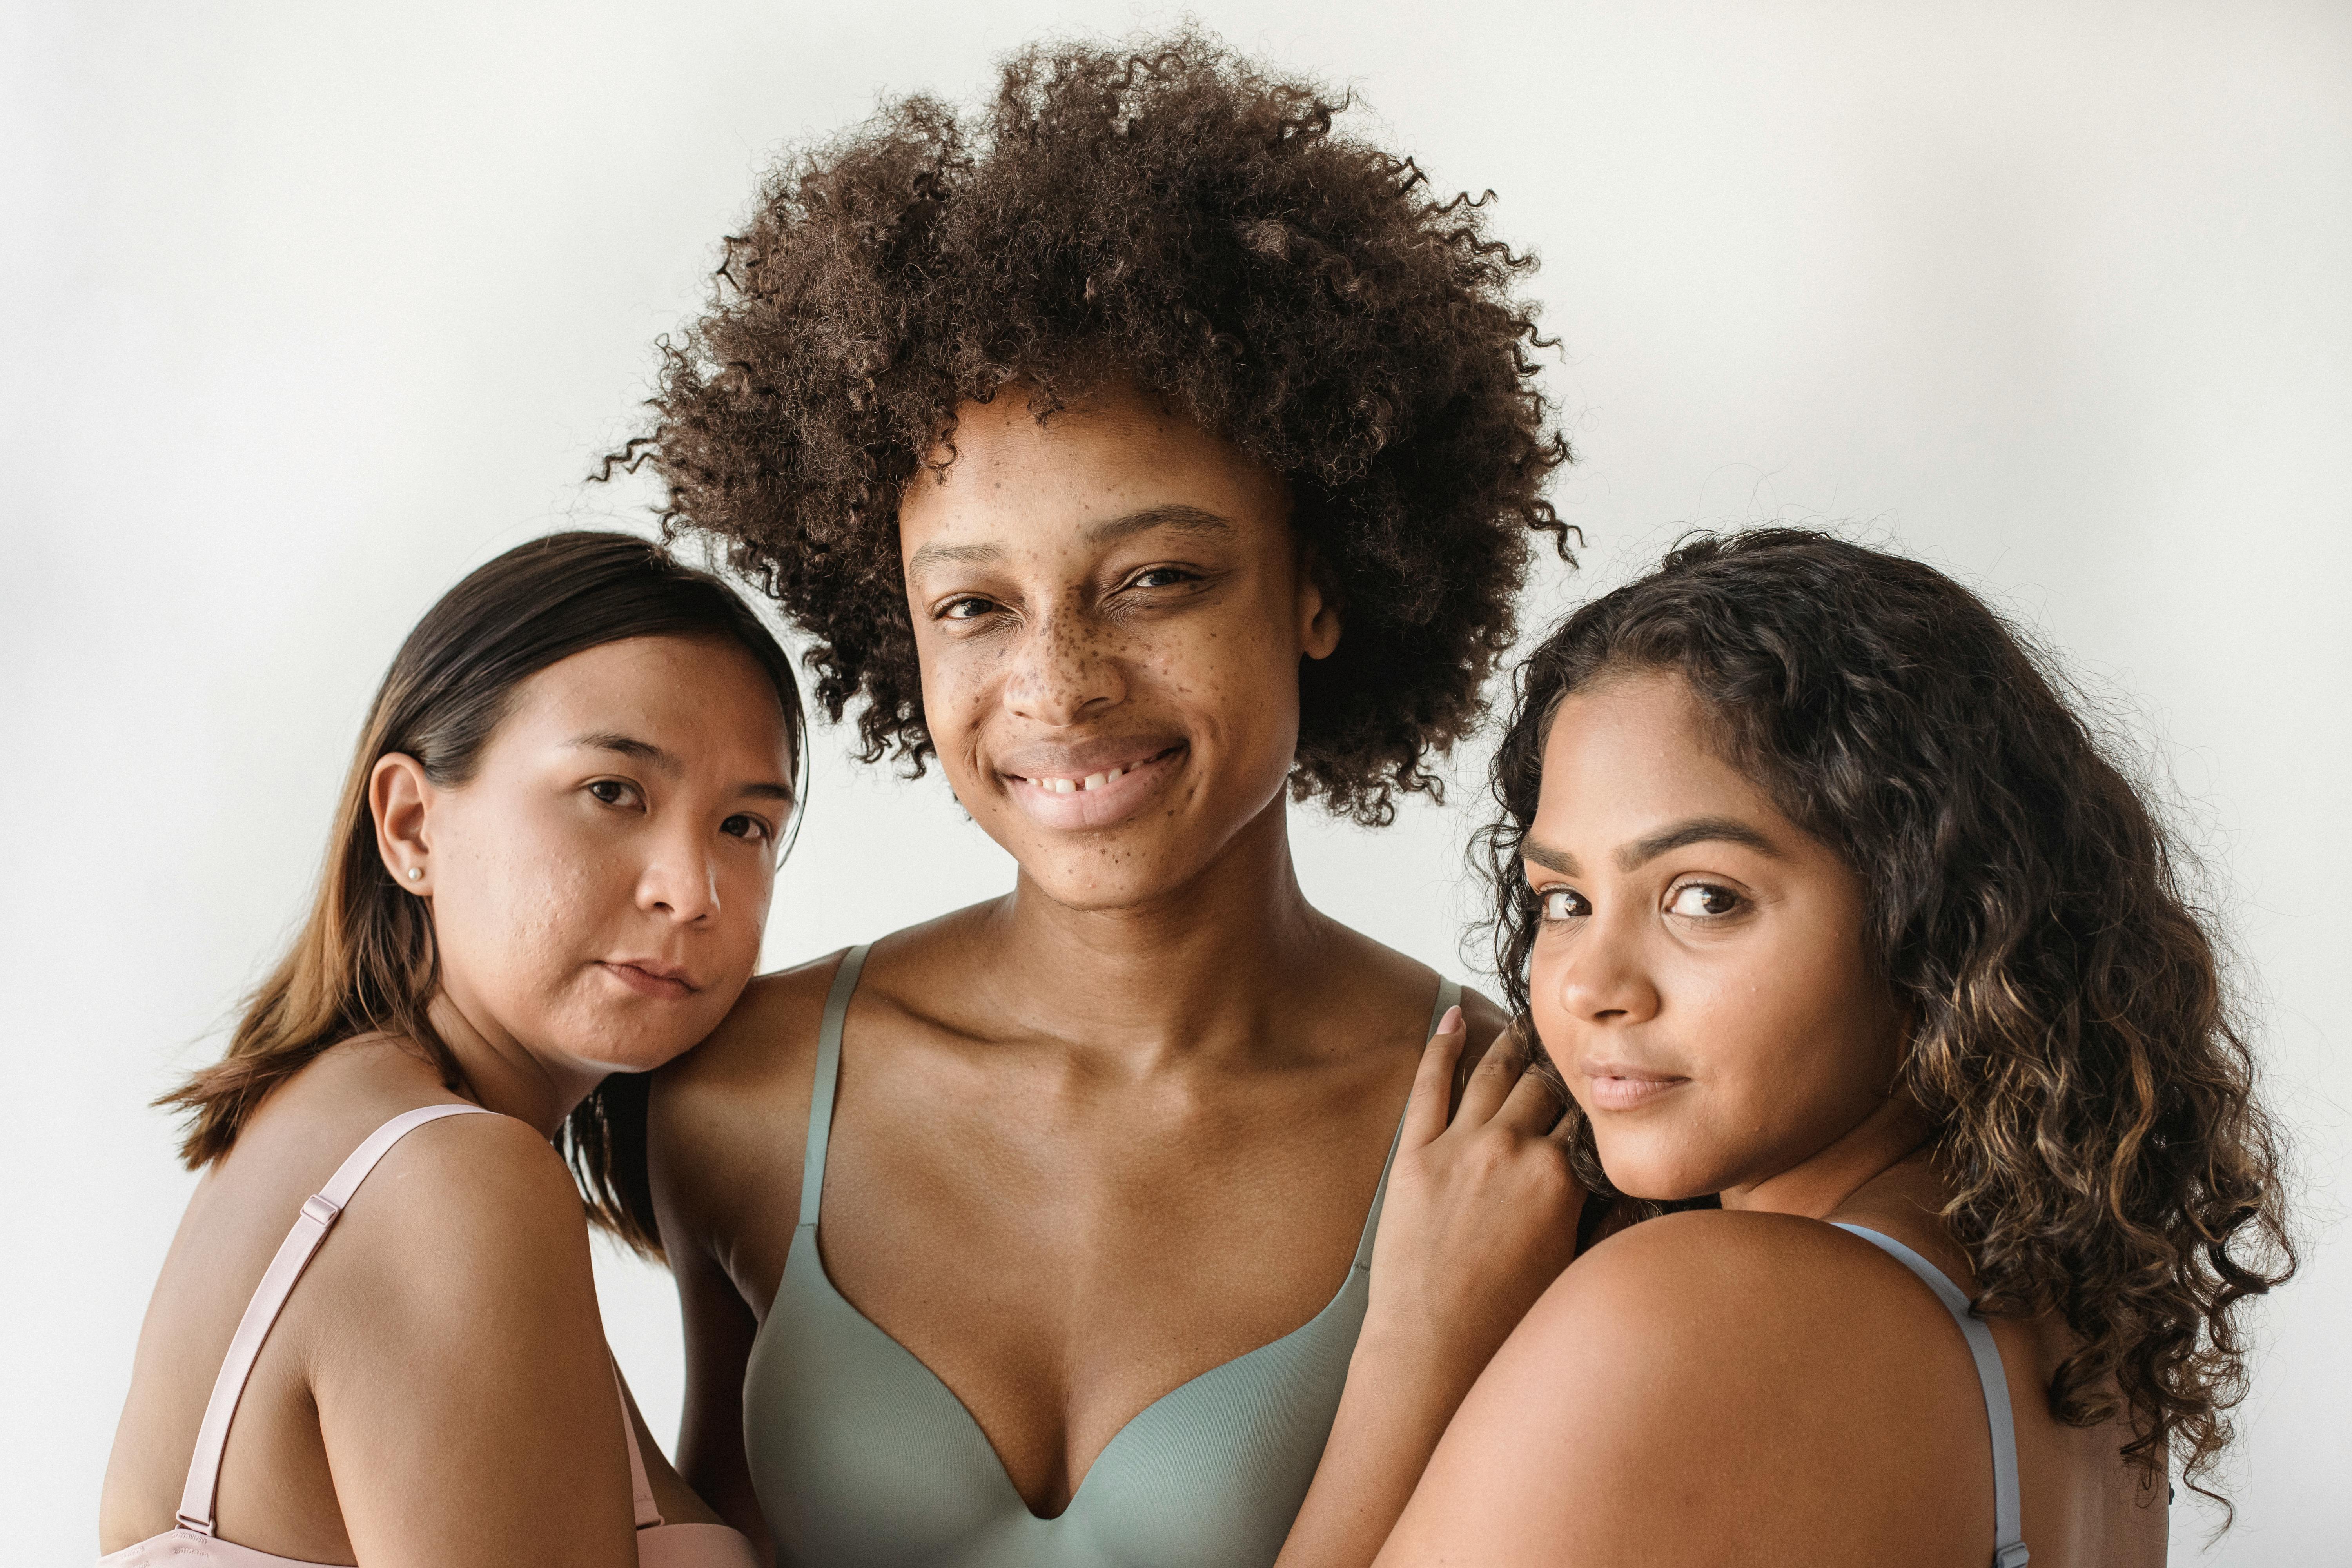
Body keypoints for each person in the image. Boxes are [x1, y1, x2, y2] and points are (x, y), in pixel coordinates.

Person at [621, 31, 1584, 1568]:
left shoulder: (1516, 1146)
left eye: (1156, 579)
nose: (1058, 687)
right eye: (976, 606)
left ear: (1322, 587)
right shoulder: (737, 1100)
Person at [1370, 529, 2295, 1566]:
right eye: (1565, 900)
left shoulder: (1691, 1308)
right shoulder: (2080, 1364)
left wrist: (1417, 1341)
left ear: (1938, 914)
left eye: (1704, 898)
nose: (1588, 986)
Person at [98, 532, 795, 1568]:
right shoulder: (447, 1179)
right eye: (614, 792)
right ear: (413, 825)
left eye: (744, 825)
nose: (690, 892)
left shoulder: (345, 1134)